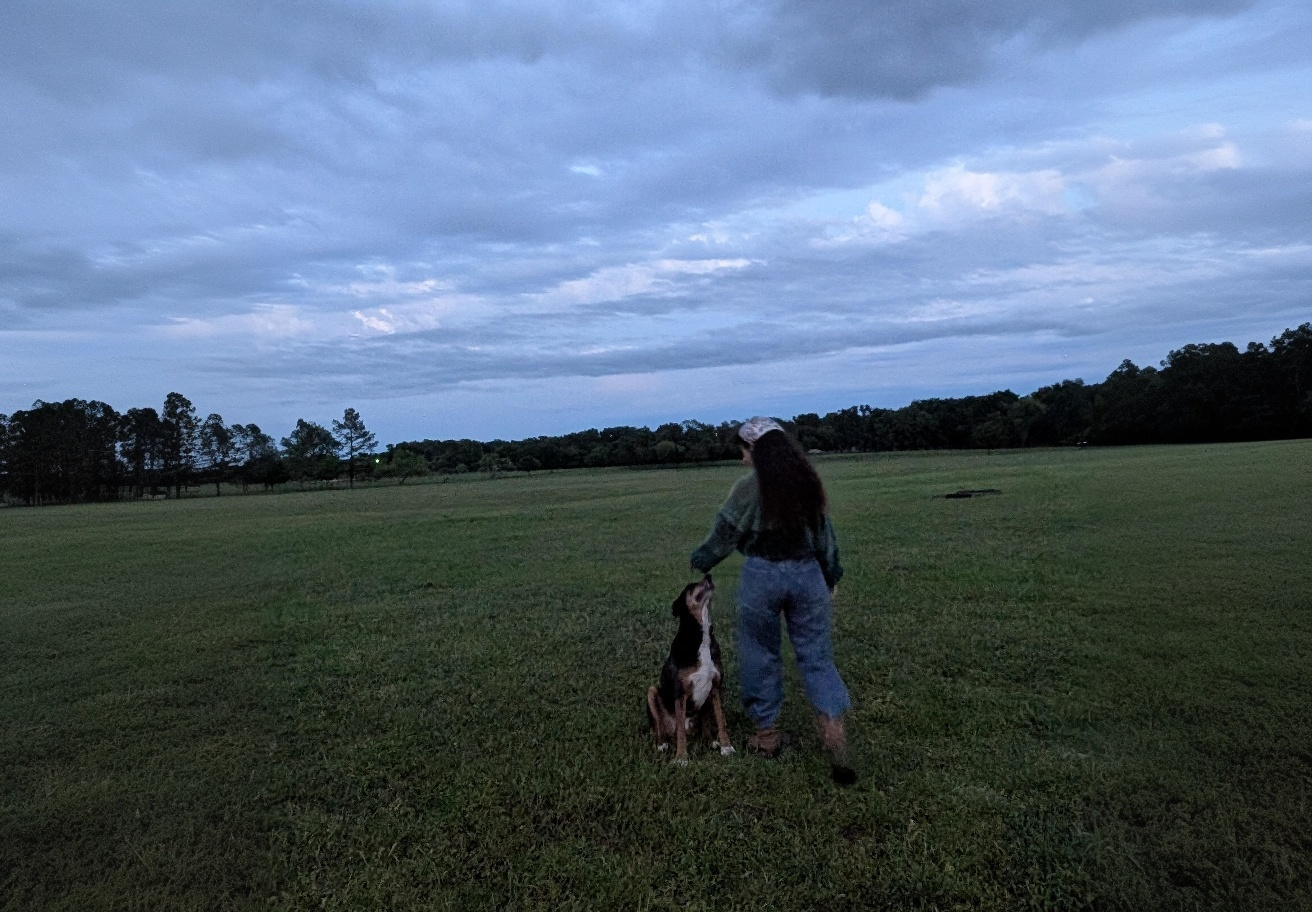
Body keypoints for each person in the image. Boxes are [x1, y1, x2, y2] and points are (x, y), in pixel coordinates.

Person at [690, 417, 856, 785]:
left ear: (756, 451)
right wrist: (831, 576)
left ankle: (766, 737)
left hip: (762, 576)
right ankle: (834, 733)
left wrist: (700, 560)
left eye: (743, 450)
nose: (741, 458)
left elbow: (725, 535)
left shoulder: (748, 488)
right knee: (816, 655)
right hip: (808, 575)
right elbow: (825, 538)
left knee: (759, 652)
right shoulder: (806, 483)